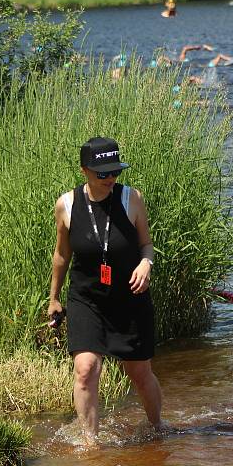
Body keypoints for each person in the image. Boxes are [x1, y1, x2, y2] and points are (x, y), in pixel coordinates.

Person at [48, 137, 162, 445]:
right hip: (87, 299)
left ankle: (157, 428)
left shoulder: (131, 199)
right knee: (85, 369)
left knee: (139, 373)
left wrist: (145, 265)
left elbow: (146, 246)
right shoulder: (67, 205)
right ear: (84, 170)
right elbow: (61, 256)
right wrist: (54, 298)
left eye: (115, 171)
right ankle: (90, 443)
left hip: (129, 298)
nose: (110, 178)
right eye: (102, 173)